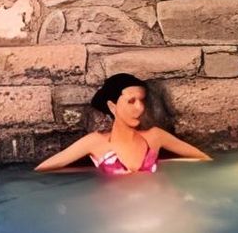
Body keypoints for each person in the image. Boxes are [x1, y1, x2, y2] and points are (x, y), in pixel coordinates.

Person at [34, 73, 211, 175]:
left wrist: (168, 164)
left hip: (157, 207)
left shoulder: (155, 137)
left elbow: (202, 158)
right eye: (131, 101)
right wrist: (86, 173)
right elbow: (43, 170)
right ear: (112, 106)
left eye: (142, 101)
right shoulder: (95, 142)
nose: (140, 108)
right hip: (118, 214)